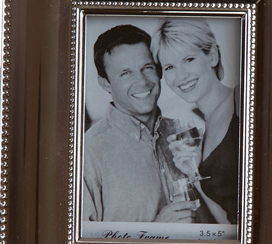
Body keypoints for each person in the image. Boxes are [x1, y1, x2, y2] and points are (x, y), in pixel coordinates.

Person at [82, 24, 199, 223]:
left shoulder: (186, 133)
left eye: (147, 68)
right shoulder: (87, 153)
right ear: (105, 83)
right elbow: (78, 241)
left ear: (159, 71)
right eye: (125, 73)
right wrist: (156, 232)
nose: (142, 82)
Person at [150, 18, 239, 225]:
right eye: (169, 67)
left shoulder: (243, 101)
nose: (180, 76)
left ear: (213, 56)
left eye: (188, 59)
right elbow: (228, 223)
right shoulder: (204, 131)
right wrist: (194, 173)